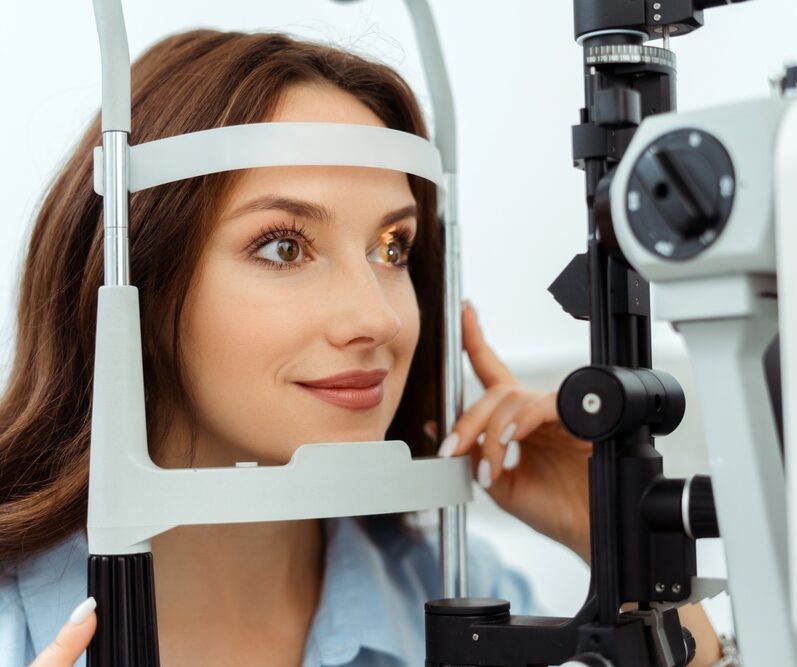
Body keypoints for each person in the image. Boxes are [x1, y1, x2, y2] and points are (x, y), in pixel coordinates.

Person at [0, 30, 721, 667]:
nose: (377, 318)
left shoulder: (456, 591)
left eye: (392, 247)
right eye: (284, 246)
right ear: (139, 283)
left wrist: (616, 540)